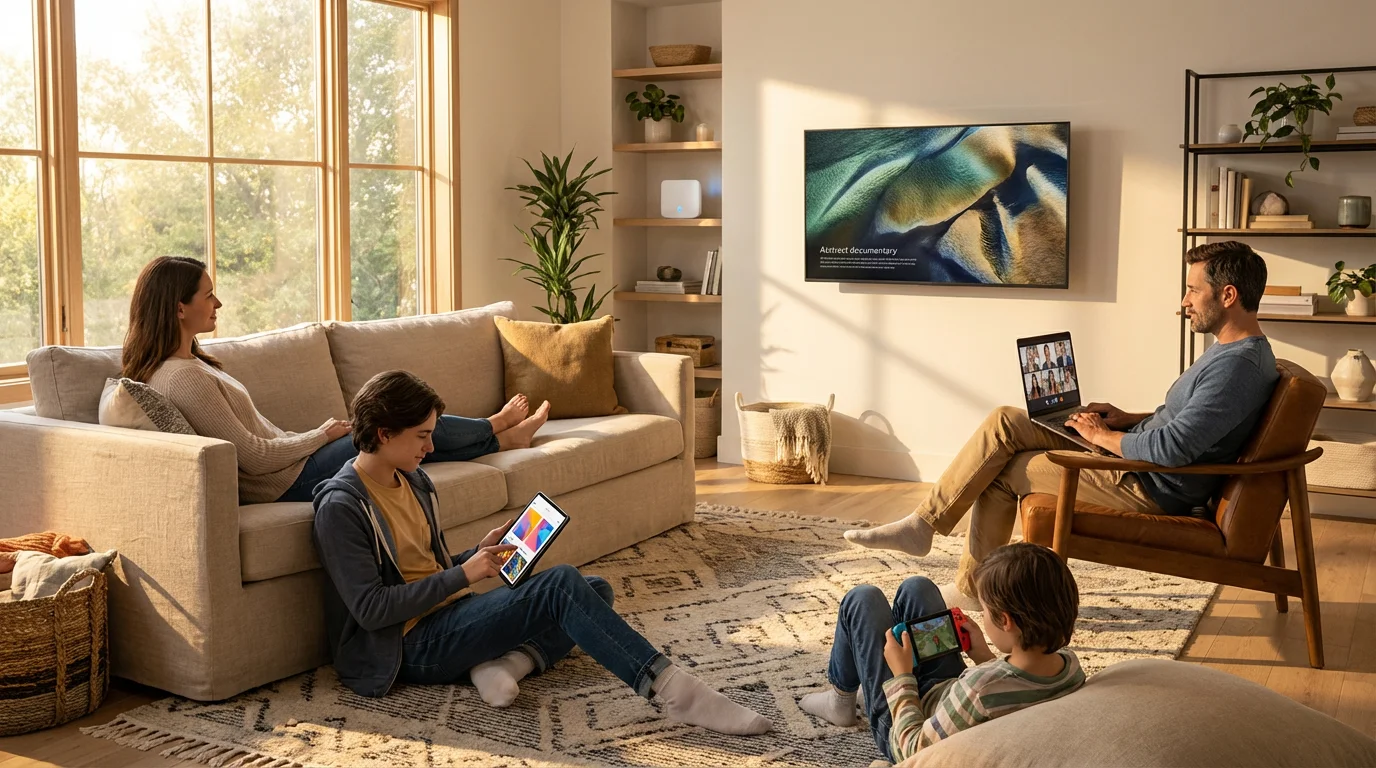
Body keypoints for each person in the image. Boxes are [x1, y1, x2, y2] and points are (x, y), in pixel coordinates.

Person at [311, 370, 772, 735]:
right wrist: (466, 576)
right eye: (422, 436)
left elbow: (422, 567)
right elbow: (372, 610)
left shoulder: (411, 478)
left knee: (595, 590)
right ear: (384, 433)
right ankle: (673, 691)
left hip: (446, 615)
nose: (432, 447)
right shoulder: (342, 506)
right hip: (407, 647)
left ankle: (502, 662)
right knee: (563, 586)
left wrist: (478, 553)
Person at [843, 241, 1279, 605]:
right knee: (1006, 422)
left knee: (1001, 472)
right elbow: (1187, 422)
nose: (1184, 301)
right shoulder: (1232, 352)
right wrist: (1127, 419)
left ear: (1228, 296)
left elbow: (1173, 449)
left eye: (1192, 290)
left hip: (1147, 485)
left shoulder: (1236, 367)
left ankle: (971, 585)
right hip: (1135, 457)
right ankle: (924, 525)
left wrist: (1103, 436)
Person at [122, 256, 550, 504]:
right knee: (388, 424)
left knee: (396, 436)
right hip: (286, 483)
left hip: (294, 465)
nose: (218, 302)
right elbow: (251, 457)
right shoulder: (180, 378)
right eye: (207, 294)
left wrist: (315, 439)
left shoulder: (188, 364)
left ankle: (501, 440)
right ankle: (496, 429)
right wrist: (319, 436)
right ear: (179, 308)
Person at [798, 542, 1085, 763]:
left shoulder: (980, 688)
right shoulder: (1069, 666)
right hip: (950, 699)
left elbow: (910, 750)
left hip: (906, 722)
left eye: (985, 610)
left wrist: (902, 677)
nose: (982, 617)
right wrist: (983, 656)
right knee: (917, 588)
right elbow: (1013, 690)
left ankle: (841, 701)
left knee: (862, 599)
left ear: (1005, 621)